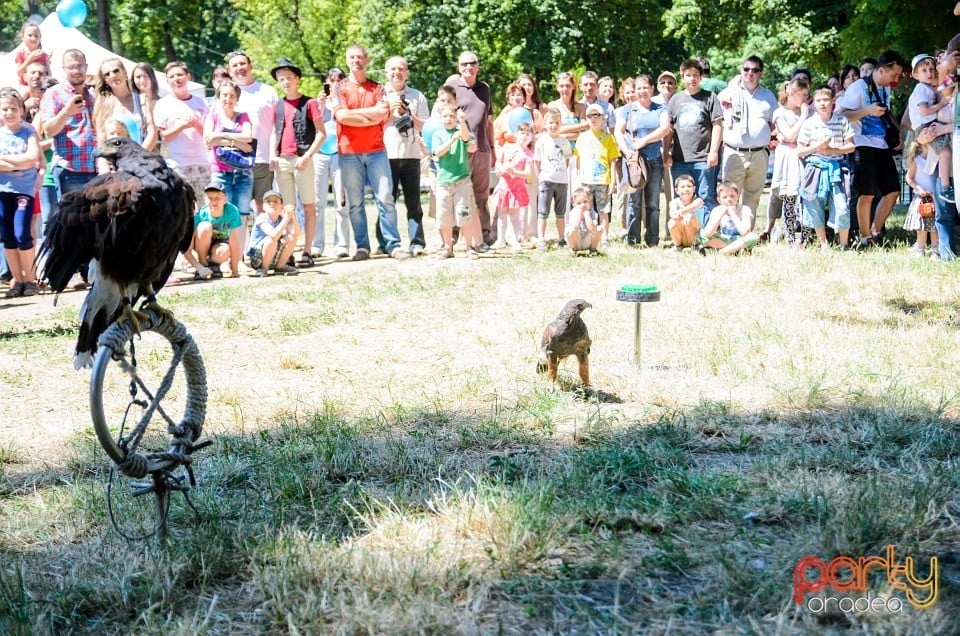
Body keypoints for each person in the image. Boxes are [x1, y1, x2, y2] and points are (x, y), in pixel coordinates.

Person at [329, 44, 407, 261]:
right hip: (348, 152)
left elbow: (383, 113)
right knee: (355, 203)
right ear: (347, 60)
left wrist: (356, 116)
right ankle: (362, 246)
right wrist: (369, 116)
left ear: (367, 60)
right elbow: (341, 117)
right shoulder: (340, 88)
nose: (356, 61)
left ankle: (393, 245)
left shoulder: (378, 88)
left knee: (386, 198)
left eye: (360, 57)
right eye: (352, 57)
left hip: (376, 151)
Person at [836, 50, 906, 248]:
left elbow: (887, 112)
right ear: (882, 70)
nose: (896, 78)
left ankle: (875, 231)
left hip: (882, 145)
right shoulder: (858, 87)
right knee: (866, 194)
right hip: (862, 146)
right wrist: (867, 110)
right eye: (894, 74)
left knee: (892, 191)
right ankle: (865, 238)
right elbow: (842, 115)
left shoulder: (886, 88)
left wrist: (898, 131)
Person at [268, 58, 326, 267]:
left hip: (302, 160)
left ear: (297, 79)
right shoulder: (278, 105)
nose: (285, 82)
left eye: (289, 78)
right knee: (288, 209)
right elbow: (275, 131)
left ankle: (308, 251)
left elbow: (321, 134)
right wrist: (272, 154)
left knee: (309, 206)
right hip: (282, 161)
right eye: (281, 79)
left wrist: (307, 156)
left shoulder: (309, 104)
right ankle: (290, 249)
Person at [718, 56, 778, 231]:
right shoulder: (728, 93)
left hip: (759, 154)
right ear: (741, 71)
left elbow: (773, 123)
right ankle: (729, 233)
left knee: (753, 197)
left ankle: (747, 234)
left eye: (755, 70)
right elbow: (717, 121)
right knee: (729, 195)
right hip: (734, 152)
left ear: (761, 73)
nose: (750, 73)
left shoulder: (768, 96)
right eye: (746, 69)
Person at [445, 51, 495, 245]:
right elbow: (443, 116)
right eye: (464, 64)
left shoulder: (485, 89)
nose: (468, 67)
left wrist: (493, 148)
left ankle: (484, 234)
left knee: (482, 195)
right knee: (457, 192)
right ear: (459, 67)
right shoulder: (452, 87)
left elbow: (488, 121)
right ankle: (454, 234)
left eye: (472, 63)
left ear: (478, 66)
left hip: (482, 149)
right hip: (460, 149)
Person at [797, 85, 856, 251]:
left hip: (836, 169)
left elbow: (851, 146)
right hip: (815, 168)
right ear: (813, 103)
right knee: (814, 206)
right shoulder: (809, 124)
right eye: (818, 100)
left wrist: (832, 150)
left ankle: (844, 245)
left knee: (842, 206)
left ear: (833, 102)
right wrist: (818, 146)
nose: (822, 104)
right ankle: (824, 244)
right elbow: (800, 151)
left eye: (826, 100)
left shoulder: (841, 120)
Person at [616, 74, 671, 247]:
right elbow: (618, 132)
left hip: (654, 159)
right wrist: (626, 151)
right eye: (638, 88)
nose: (641, 91)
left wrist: (644, 141)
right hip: (634, 161)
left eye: (645, 87)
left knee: (653, 202)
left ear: (652, 89)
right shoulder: (628, 109)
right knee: (634, 201)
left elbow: (664, 129)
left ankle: (652, 239)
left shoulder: (660, 108)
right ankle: (632, 239)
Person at [383, 55, 430, 256]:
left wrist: (409, 114)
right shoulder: (378, 94)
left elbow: (426, 126)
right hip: (385, 155)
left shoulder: (417, 95)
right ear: (386, 73)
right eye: (392, 69)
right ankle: (384, 242)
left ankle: (417, 242)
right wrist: (390, 113)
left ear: (407, 72)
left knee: (414, 203)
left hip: (411, 155)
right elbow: (372, 121)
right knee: (386, 202)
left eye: (401, 69)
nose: (397, 73)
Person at [666, 58, 723, 214]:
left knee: (706, 197)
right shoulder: (675, 100)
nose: (692, 79)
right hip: (680, 160)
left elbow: (718, 126)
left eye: (696, 75)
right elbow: (669, 130)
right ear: (682, 77)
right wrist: (666, 153)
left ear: (700, 77)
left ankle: (706, 235)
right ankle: (686, 235)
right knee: (683, 198)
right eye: (688, 75)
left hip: (703, 158)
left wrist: (713, 152)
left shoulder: (710, 97)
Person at [0, 88, 40, 298]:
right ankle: (17, 280)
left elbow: (32, 157)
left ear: (21, 110)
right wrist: (17, 164)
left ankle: (29, 278)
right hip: (2, 191)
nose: (9, 113)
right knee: (7, 236)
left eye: (13, 108)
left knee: (22, 233)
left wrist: (8, 163)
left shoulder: (28, 131)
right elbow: (24, 161)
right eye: (4, 109)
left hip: (23, 191)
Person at [227, 51, 278, 214]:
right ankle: (241, 241)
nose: (239, 68)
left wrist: (273, 153)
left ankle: (268, 239)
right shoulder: (227, 95)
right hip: (236, 159)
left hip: (263, 159)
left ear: (250, 66)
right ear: (229, 71)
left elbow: (277, 125)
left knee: (265, 207)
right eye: (234, 65)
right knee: (238, 209)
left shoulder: (267, 91)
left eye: (242, 64)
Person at [203, 78, 254, 238]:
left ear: (237, 99)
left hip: (243, 174)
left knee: (242, 216)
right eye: (224, 95)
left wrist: (221, 136)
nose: (228, 99)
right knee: (222, 216)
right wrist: (236, 141)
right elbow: (207, 139)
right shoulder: (213, 117)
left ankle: (238, 258)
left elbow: (248, 137)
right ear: (218, 97)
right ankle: (223, 256)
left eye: (232, 96)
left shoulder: (243, 116)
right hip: (221, 174)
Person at [432, 103, 484, 260]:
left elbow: (468, 141)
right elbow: (438, 152)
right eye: (445, 116)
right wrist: (452, 140)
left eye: (452, 116)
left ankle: (469, 246)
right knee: (444, 215)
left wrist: (462, 123)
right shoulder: (438, 135)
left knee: (464, 214)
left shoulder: (461, 132)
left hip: (462, 180)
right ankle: (448, 247)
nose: (449, 119)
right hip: (443, 182)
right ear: (440, 118)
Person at [154, 61, 210, 199]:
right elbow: (162, 137)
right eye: (172, 76)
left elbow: (209, 135)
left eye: (180, 74)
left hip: (203, 163)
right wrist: (181, 127)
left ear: (188, 76)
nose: (176, 79)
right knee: (183, 207)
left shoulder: (202, 103)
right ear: (167, 80)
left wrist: (197, 124)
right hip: (177, 165)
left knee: (207, 206)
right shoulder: (162, 104)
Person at [313, 66, 351, 259]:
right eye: (331, 79)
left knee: (341, 201)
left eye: (339, 79)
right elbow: (311, 126)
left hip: (341, 153)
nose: (335, 83)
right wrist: (320, 107)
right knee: (318, 202)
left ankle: (342, 243)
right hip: (320, 153)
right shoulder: (317, 103)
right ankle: (316, 244)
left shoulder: (346, 102)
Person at [769, 78, 811, 248]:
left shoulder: (806, 111)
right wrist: (803, 117)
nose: (806, 99)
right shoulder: (780, 113)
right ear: (791, 94)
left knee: (806, 197)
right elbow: (789, 136)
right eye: (803, 95)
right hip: (789, 157)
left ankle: (805, 236)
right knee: (790, 196)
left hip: (805, 155)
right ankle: (790, 236)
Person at [908, 54, 954, 203]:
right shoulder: (921, 89)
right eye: (924, 70)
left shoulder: (926, 87)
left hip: (926, 125)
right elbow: (924, 111)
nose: (929, 73)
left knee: (940, 154)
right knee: (945, 153)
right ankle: (945, 188)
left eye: (931, 69)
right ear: (915, 75)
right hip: (925, 126)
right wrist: (943, 103)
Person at [574, 103, 620, 246]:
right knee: (583, 208)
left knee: (603, 210)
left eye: (596, 115)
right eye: (590, 116)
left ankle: (604, 237)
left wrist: (613, 181)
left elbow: (613, 161)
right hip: (586, 180)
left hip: (602, 179)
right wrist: (577, 178)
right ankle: (585, 234)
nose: (593, 119)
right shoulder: (582, 137)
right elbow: (578, 159)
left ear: (603, 118)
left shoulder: (609, 138)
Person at [491, 121, 534, 249]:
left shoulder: (528, 154)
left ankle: (514, 239)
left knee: (514, 216)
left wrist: (514, 172)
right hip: (504, 187)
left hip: (516, 189)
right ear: (516, 134)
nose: (524, 136)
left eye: (528, 133)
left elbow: (527, 174)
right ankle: (500, 240)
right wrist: (499, 169)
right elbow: (498, 162)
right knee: (501, 214)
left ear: (531, 137)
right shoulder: (507, 147)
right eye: (522, 132)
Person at [533, 107, 571, 249]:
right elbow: (536, 162)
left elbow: (566, 160)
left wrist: (561, 173)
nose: (553, 125)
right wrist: (541, 177)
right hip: (546, 181)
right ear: (545, 124)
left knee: (560, 212)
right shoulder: (541, 142)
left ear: (560, 124)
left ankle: (561, 238)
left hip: (561, 181)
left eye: (556, 122)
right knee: (543, 212)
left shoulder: (564, 141)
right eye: (550, 122)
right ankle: (541, 239)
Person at [93, 59, 152, 148]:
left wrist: (139, 156)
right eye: (107, 74)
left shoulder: (141, 98)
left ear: (125, 73)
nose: (112, 75)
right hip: (114, 159)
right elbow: (101, 138)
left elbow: (152, 132)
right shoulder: (102, 104)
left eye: (116, 71)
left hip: (141, 156)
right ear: (105, 81)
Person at [193, 182, 243, 278]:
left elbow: (235, 241)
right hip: (202, 244)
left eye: (217, 198)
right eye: (210, 198)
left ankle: (214, 266)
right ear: (205, 199)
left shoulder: (232, 211)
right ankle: (203, 265)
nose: (213, 202)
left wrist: (235, 269)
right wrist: (196, 265)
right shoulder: (201, 214)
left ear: (225, 199)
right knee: (204, 226)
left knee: (224, 250)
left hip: (220, 243)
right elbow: (190, 242)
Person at [247, 189, 301, 276]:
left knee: (291, 237)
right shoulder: (262, 218)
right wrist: (286, 219)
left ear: (281, 206)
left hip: (273, 255)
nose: (272, 204)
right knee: (271, 239)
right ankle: (263, 269)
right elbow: (274, 235)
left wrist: (292, 217)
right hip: (257, 258)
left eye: (276, 201)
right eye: (268, 202)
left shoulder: (281, 219)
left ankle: (280, 267)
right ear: (264, 206)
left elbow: (296, 233)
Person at [902, 141, 939, 259]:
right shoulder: (917, 161)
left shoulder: (937, 160)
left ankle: (935, 249)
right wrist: (919, 188)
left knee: (934, 226)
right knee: (921, 226)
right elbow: (909, 177)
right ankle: (920, 248)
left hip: (934, 197)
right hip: (921, 198)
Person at [700, 181, 758, 254]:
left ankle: (721, 252)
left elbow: (745, 233)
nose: (729, 199)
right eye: (724, 197)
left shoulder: (745, 209)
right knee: (702, 234)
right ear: (719, 200)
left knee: (752, 237)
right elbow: (708, 233)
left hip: (739, 239)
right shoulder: (717, 210)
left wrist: (732, 214)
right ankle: (734, 250)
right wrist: (721, 214)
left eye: (732, 196)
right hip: (723, 239)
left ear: (738, 196)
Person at [548, 71, 588, 144]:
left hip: (578, 150)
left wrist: (562, 134)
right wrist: (581, 126)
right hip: (559, 148)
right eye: (562, 86)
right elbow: (555, 130)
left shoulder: (581, 107)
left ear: (573, 86)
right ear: (557, 87)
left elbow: (585, 132)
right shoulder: (552, 106)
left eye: (568, 86)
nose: (565, 89)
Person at [667, 174, 703, 249]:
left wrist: (684, 213)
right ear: (677, 190)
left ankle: (695, 246)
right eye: (682, 187)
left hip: (696, 237)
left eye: (689, 186)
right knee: (671, 222)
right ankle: (678, 246)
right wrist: (682, 214)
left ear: (694, 189)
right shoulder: (675, 202)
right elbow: (673, 214)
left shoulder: (698, 201)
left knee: (690, 217)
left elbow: (697, 204)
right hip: (682, 236)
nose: (686, 189)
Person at [130, 63, 160, 151]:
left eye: (145, 76)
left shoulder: (162, 102)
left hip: (160, 149)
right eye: (138, 77)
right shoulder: (132, 103)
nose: (142, 80)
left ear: (152, 77)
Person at [11, 21, 49, 87]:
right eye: (30, 35)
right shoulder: (21, 54)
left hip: (40, 87)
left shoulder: (43, 55)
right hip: (25, 86)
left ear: (40, 38)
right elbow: (18, 73)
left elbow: (49, 75)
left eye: (36, 36)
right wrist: (29, 60)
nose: (33, 38)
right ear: (22, 37)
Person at [565, 186, 601, 252]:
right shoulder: (573, 212)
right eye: (579, 203)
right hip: (576, 241)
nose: (582, 205)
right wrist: (580, 214)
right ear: (574, 205)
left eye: (585, 201)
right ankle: (573, 249)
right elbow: (575, 227)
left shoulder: (592, 212)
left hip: (587, 241)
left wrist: (587, 214)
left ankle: (593, 249)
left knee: (599, 229)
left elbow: (591, 228)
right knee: (571, 230)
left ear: (590, 202)